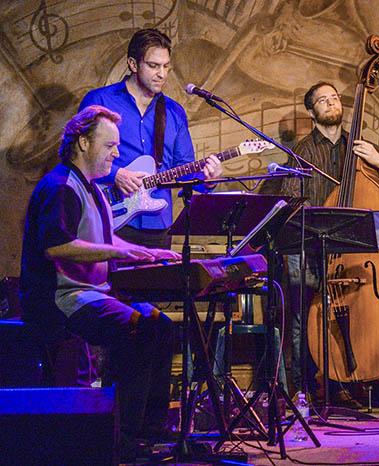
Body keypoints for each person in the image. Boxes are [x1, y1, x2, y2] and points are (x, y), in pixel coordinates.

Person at [20, 106, 181, 461]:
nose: (116, 154)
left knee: (162, 326)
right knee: (141, 330)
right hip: (62, 300)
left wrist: (141, 252)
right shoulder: (62, 186)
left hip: (91, 295)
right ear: (82, 142)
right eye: (109, 145)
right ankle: (121, 439)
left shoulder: (91, 188)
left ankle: (150, 432)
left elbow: (102, 237)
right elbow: (56, 245)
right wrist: (117, 252)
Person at [263, 81, 379, 405]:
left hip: (352, 254)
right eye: (322, 100)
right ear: (311, 110)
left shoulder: (359, 149)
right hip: (312, 249)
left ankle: (348, 383)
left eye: (334, 98)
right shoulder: (302, 153)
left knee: (356, 315)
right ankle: (306, 389)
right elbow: (289, 199)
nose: (331, 103)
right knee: (306, 319)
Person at [79, 28, 223, 248]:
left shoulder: (174, 112)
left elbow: (183, 168)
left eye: (166, 66)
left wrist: (207, 180)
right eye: (153, 66)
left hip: (158, 224)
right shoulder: (100, 100)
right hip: (108, 217)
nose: (162, 74)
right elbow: (77, 155)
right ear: (133, 64)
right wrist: (116, 174)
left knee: (156, 282)